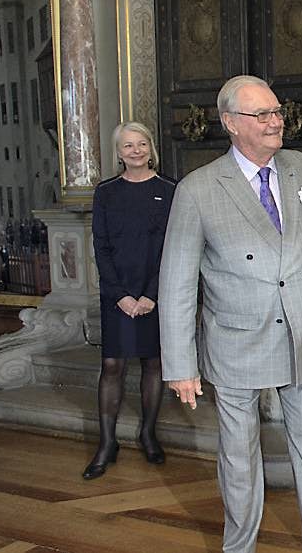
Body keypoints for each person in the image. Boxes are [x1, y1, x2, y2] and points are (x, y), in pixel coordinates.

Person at [158, 75, 302, 553]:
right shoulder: (199, 189)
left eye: (276, 112)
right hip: (236, 339)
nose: (276, 122)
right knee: (240, 455)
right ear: (230, 123)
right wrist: (181, 365)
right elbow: (177, 282)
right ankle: (240, 545)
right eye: (261, 115)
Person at [86, 121, 176, 479]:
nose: (135, 151)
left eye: (141, 144)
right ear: (118, 153)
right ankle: (107, 443)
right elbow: (101, 248)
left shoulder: (170, 189)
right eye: (127, 146)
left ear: (150, 148)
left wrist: (151, 295)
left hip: (156, 292)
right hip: (116, 294)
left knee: (153, 364)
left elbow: (174, 247)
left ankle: (148, 433)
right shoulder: (105, 192)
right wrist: (120, 295)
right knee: (112, 366)